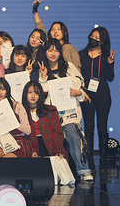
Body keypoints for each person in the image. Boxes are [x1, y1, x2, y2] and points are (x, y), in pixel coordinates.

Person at [38, 39, 91, 182]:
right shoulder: (41, 69)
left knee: (74, 135)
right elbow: (40, 94)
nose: (53, 53)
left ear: (60, 53)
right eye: (50, 50)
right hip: (50, 115)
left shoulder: (69, 67)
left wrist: (78, 93)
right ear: (45, 52)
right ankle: (56, 174)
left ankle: (83, 170)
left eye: (56, 50)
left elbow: (80, 85)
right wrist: (43, 77)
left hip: (69, 114)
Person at [78, 27, 115, 172]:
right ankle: (90, 160)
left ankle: (103, 161)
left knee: (102, 127)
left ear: (102, 41)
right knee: (88, 128)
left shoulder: (106, 56)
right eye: (92, 36)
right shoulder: (81, 55)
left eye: (97, 37)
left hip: (103, 93)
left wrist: (110, 64)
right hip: (87, 94)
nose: (93, 39)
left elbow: (110, 78)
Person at [0, 77, 32, 159]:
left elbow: (28, 131)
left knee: (5, 160)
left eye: (2, 89)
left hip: (19, 142)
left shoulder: (17, 106)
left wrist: (13, 122)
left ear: (7, 90)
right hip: (3, 143)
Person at [21, 81, 68, 161]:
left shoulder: (50, 110)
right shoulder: (22, 112)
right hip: (32, 147)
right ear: (25, 94)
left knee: (59, 162)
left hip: (51, 146)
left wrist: (57, 150)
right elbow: (24, 137)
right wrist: (31, 151)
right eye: (30, 92)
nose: (33, 96)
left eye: (36, 93)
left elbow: (57, 132)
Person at [32, 0, 81, 68]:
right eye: (52, 30)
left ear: (65, 32)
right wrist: (35, 11)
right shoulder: (48, 45)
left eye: (59, 29)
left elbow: (77, 66)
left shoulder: (68, 47)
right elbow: (40, 27)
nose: (55, 32)